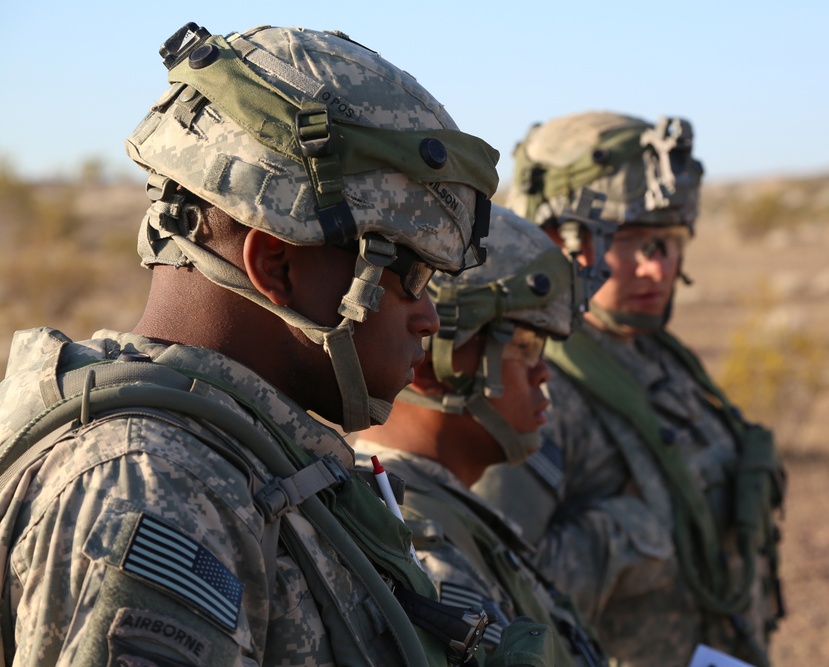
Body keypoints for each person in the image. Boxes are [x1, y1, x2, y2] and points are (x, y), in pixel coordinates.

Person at [0, 22, 552, 667]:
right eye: (413, 279)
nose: (430, 320)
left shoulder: (247, 463)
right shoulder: (157, 483)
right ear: (279, 267)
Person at [473, 111, 787, 667]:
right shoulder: (535, 384)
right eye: (629, 241)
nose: (655, 270)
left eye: (667, 242)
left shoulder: (661, 358)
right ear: (556, 240)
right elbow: (497, 587)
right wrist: (622, 537)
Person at [353, 205, 610, 666]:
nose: (543, 372)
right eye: (526, 346)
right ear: (434, 366)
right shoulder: (415, 548)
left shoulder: (448, 516)